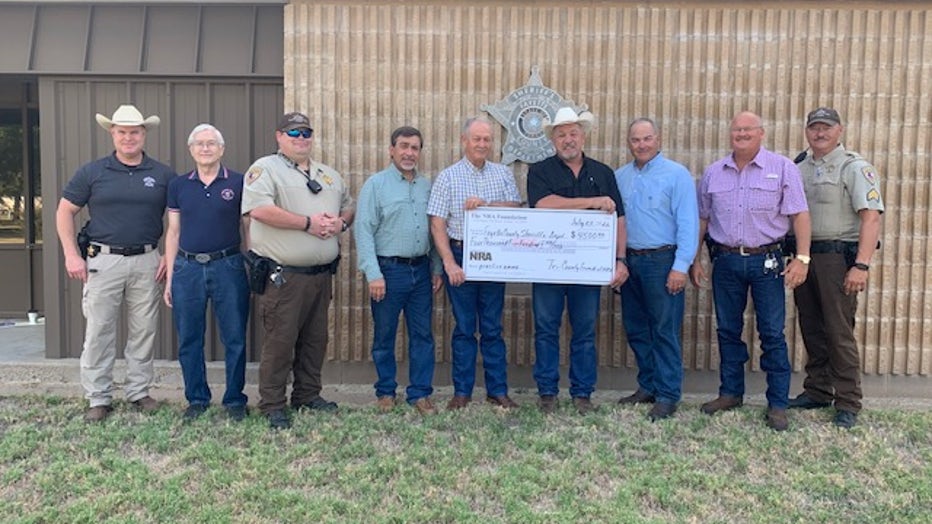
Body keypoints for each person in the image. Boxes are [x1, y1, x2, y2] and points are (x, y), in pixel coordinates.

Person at [689, 111, 812, 432]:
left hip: (767, 262)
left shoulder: (782, 168)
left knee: (772, 333)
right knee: (727, 330)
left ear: (761, 133)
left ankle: (778, 403)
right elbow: (702, 219)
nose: (741, 134)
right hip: (726, 262)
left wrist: (802, 258)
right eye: (736, 130)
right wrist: (693, 258)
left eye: (748, 130)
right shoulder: (714, 173)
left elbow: (799, 215)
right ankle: (730, 393)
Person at [55, 104, 175, 422]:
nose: (128, 137)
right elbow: (64, 211)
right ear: (113, 133)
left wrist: (168, 256)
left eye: (134, 131)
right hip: (102, 260)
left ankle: (138, 392)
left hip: (148, 260)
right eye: (122, 131)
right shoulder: (92, 172)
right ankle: (98, 396)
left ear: (144, 134)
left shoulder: (162, 175)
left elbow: (178, 220)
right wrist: (71, 254)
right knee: (99, 330)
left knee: (144, 329)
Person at [241, 111, 355, 429]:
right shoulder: (265, 169)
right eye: (294, 133)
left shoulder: (327, 174)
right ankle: (272, 404)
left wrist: (341, 222)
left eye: (306, 133)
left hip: (321, 276)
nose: (301, 139)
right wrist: (307, 224)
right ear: (279, 136)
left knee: (315, 340)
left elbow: (348, 204)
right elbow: (258, 209)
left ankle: (307, 395)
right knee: (280, 342)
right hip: (284, 277)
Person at [527, 106, 630, 415]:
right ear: (552, 140)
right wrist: (592, 202)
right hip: (548, 267)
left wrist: (620, 260)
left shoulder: (603, 173)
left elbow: (620, 220)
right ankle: (547, 392)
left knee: (584, 330)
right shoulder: (539, 171)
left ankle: (582, 393)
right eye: (561, 135)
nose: (568, 140)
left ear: (583, 136)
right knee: (546, 328)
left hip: (588, 269)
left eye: (573, 133)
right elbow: (543, 205)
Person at [788, 107, 884, 429]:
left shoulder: (854, 167)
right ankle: (817, 390)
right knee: (811, 328)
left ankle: (847, 401)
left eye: (826, 128)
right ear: (807, 131)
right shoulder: (798, 166)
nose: (820, 133)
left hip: (836, 259)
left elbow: (871, 218)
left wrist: (861, 265)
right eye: (814, 127)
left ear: (839, 131)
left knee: (839, 332)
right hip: (805, 257)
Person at [427, 117, 522, 411]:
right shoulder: (448, 177)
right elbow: (437, 224)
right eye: (477, 139)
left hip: (495, 260)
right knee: (465, 329)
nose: (482, 144)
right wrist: (448, 263)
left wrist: (486, 204)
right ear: (464, 140)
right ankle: (462, 392)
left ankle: (498, 391)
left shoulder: (503, 173)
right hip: (460, 257)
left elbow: (517, 207)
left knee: (493, 328)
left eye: (487, 140)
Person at [163, 124, 250, 422]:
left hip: (228, 266)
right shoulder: (178, 185)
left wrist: (249, 263)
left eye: (211, 143)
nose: (205, 148)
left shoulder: (239, 183)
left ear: (222, 149)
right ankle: (197, 399)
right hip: (187, 268)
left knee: (235, 337)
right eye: (199, 143)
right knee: (189, 338)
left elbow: (247, 227)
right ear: (191, 150)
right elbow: (173, 232)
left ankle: (235, 399)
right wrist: (171, 277)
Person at [614, 117, 699, 421]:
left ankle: (667, 394)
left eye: (647, 139)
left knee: (664, 330)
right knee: (637, 328)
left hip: (663, 262)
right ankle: (647, 385)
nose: (641, 145)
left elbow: (688, 223)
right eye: (636, 140)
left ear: (658, 139)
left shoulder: (677, 175)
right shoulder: (620, 177)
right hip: (629, 262)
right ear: (629, 142)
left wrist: (681, 267)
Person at [355, 126, 443, 416]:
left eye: (415, 147)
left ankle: (419, 394)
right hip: (388, 272)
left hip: (420, 271)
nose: (409, 153)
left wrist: (436, 267)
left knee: (423, 336)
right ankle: (386, 391)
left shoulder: (426, 186)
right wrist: (373, 273)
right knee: (384, 335)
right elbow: (363, 231)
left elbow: (434, 228)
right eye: (403, 146)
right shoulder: (376, 185)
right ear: (391, 149)